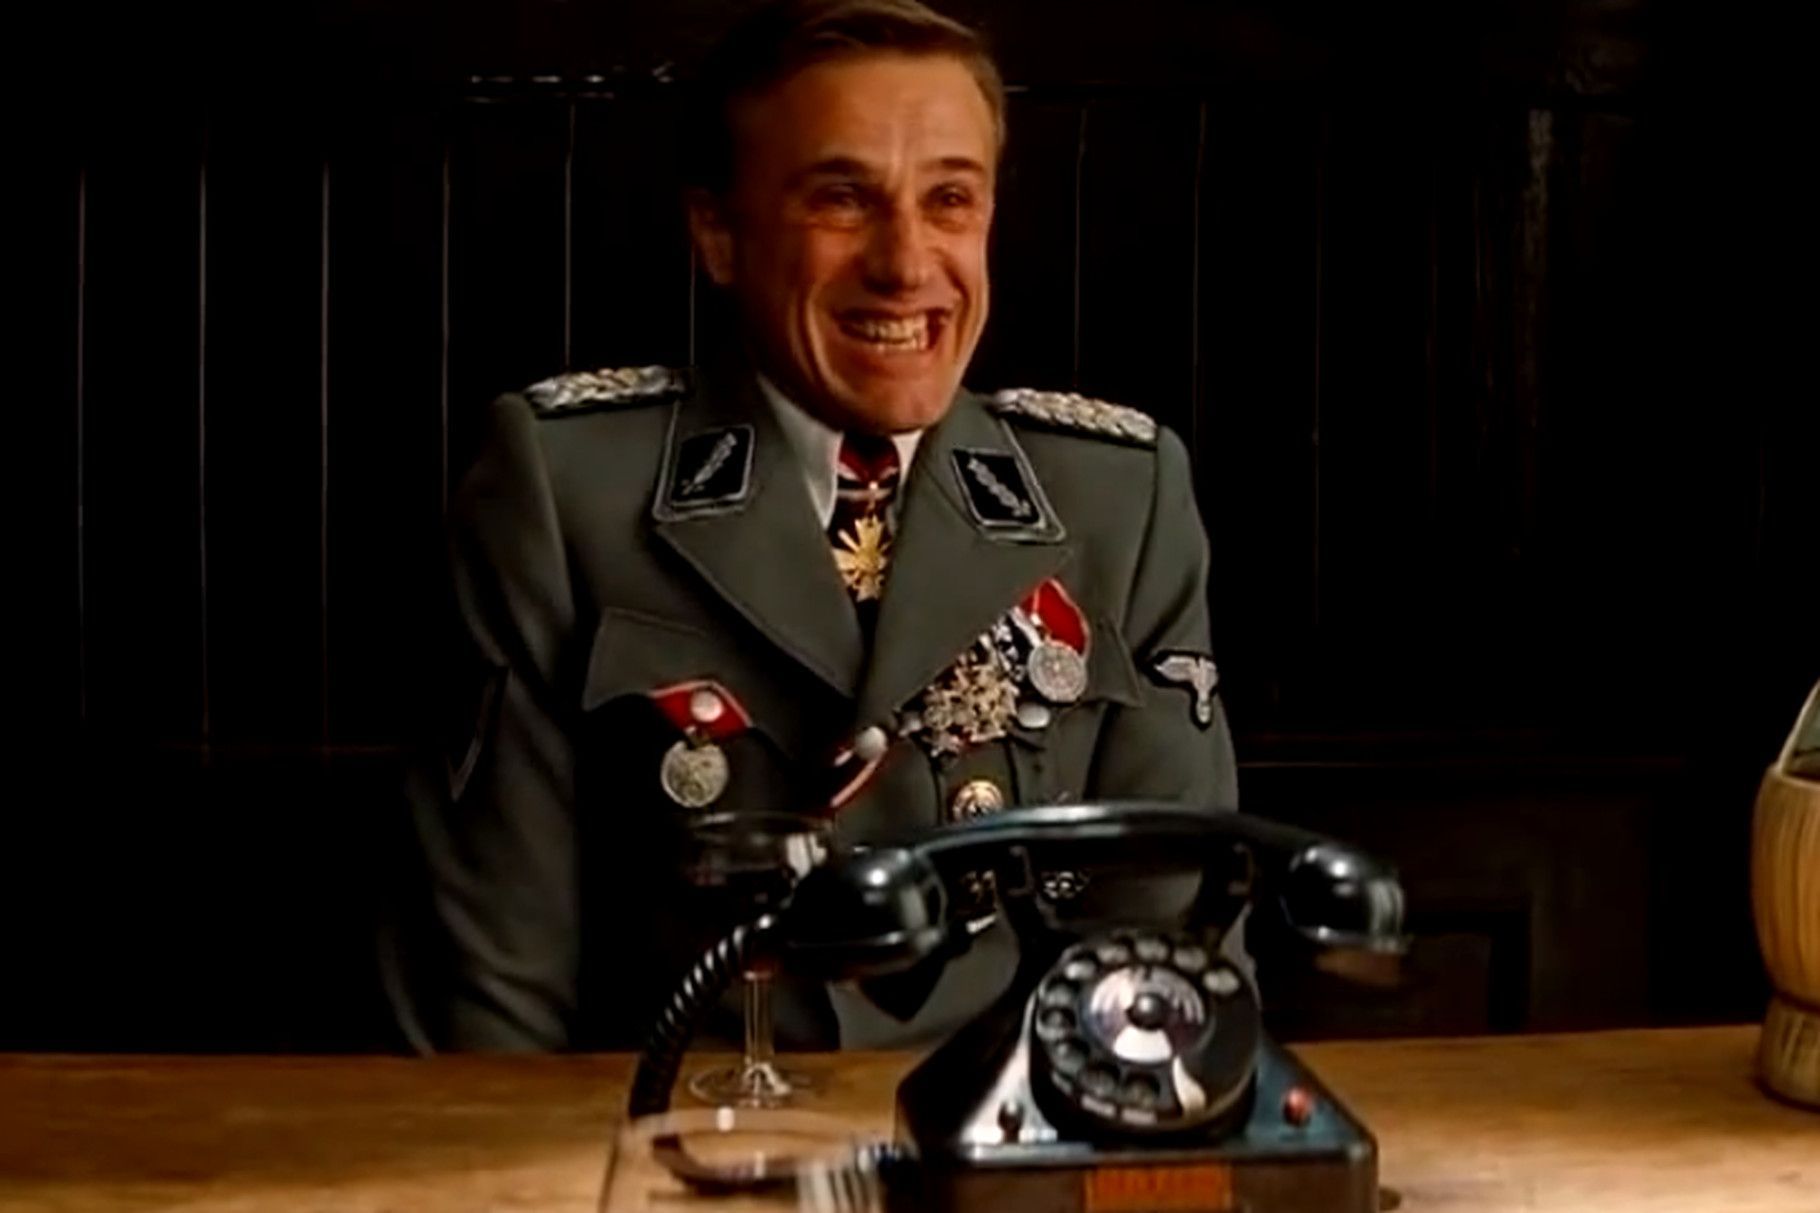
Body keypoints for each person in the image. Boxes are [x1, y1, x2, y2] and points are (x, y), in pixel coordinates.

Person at [391, 0, 1239, 1054]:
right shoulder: (566, 492)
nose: (906, 263)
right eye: (842, 199)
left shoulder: (1119, 497)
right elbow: (492, 999)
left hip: (997, 1134)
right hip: (671, 1133)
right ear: (719, 232)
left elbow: (1171, 964)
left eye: (949, 200)